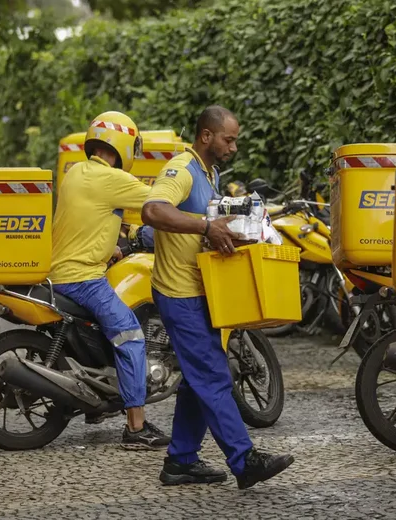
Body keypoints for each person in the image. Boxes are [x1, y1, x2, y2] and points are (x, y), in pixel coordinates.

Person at [142, 105, 294, 488]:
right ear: (206, 136)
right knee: (212, 374)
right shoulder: (182, 169)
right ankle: (244, 462)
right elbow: (153, 210)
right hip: (178, 293)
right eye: (229, 139)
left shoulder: (210, 174)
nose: (234, 146)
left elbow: (205, 227)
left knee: (197, 379)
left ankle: (180, 461)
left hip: (200, 291)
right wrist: (207, 226)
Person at [49, 110, 171, 450]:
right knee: (131, 337)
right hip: (82, 278)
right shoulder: (111, 179)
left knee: (109, 330)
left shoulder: (76, 173)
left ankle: (97, 405)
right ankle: (136, 427)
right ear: (123, 144)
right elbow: (160, 203)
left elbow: (92, 219)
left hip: (61, 271)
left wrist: (113, 247)